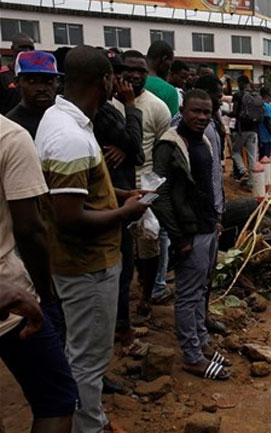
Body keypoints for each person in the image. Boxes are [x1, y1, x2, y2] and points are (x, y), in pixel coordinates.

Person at [35, 45, 150, 433]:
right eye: (114, 78)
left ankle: (90, 418)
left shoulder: (63, 121)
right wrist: (126, 213)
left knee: (80, 350)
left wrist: (119, 196)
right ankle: (90, 426)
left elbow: (78, 193)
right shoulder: (70, 137)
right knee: (89, 357)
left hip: (78, 264)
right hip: (88, 267)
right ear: (105, 81)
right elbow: (69, 216)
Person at [1, 114, 79, 433]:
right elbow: (31, 229)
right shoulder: (10, 137)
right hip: (11, 303)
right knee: (56, 399)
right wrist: (46, 297)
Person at [152, 89, 231, 381]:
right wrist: (179, 237)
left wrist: (216, 219)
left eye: (206, 112)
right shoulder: (170, 144)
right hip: (189, 231)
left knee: (200, 291)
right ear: (183, 110)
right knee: (187, 295)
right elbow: (160, 195)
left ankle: (202, 342)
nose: (201, 117)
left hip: (207, 227)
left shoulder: (204, 140)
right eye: (195, 111)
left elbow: (208, 185)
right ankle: (192, 356)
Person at [93, 53, 146, 353]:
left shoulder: (104, 110)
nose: (125, 82)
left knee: (123, 268)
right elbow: (137, 148)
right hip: (113, 203)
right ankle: (120, 333)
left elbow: (133, 152)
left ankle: (119, 325)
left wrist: (126, 149)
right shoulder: (106, 111)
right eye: (119, 76)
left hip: (119, 194)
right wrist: (130, 106)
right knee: (120, 269)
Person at [115, 50, 173, 311]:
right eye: (130, 70)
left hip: (148, 184)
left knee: (149, 243)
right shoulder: (107, 104)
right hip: (116, 185)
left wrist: (158, 187)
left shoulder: (157, 107)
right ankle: (120, 302)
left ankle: (147, 296)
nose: (136, 75)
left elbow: (164, 148)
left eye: (141, 71)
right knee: (119, 247)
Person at [6, 51, 60, 138]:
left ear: (57, 82)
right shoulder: (9, 127)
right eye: (32, 81)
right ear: (17, 82)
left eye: (48, 81)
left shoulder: (67, 118)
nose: (41, 88)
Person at [230, 75, 261, 184]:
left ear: (241, 83)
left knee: (235, 151)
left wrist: (225, 113)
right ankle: (252, 182)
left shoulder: (238, 95)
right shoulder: (256, 95)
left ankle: (243, 170)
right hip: (254, 130)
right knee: (252, 157)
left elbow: (234, 113)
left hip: (241, 129)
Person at [0, 33, 35, 115]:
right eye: (22, 47)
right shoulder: (2, 75)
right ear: (12, 49)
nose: (27, 50)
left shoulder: (37, 75)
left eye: (30, 48)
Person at [144, 40, 178, 116]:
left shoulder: (128, 83)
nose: (169, 68)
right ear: (164, 59)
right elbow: (173, 124)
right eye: (170, 63)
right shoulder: (169, 90)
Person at [258, 87, 271, 159]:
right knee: (266, 158)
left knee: (262, 157)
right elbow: (268, 121)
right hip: (267, 137)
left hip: (261, 136)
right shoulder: (267, 106)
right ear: (267, 95)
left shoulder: (260, 105)